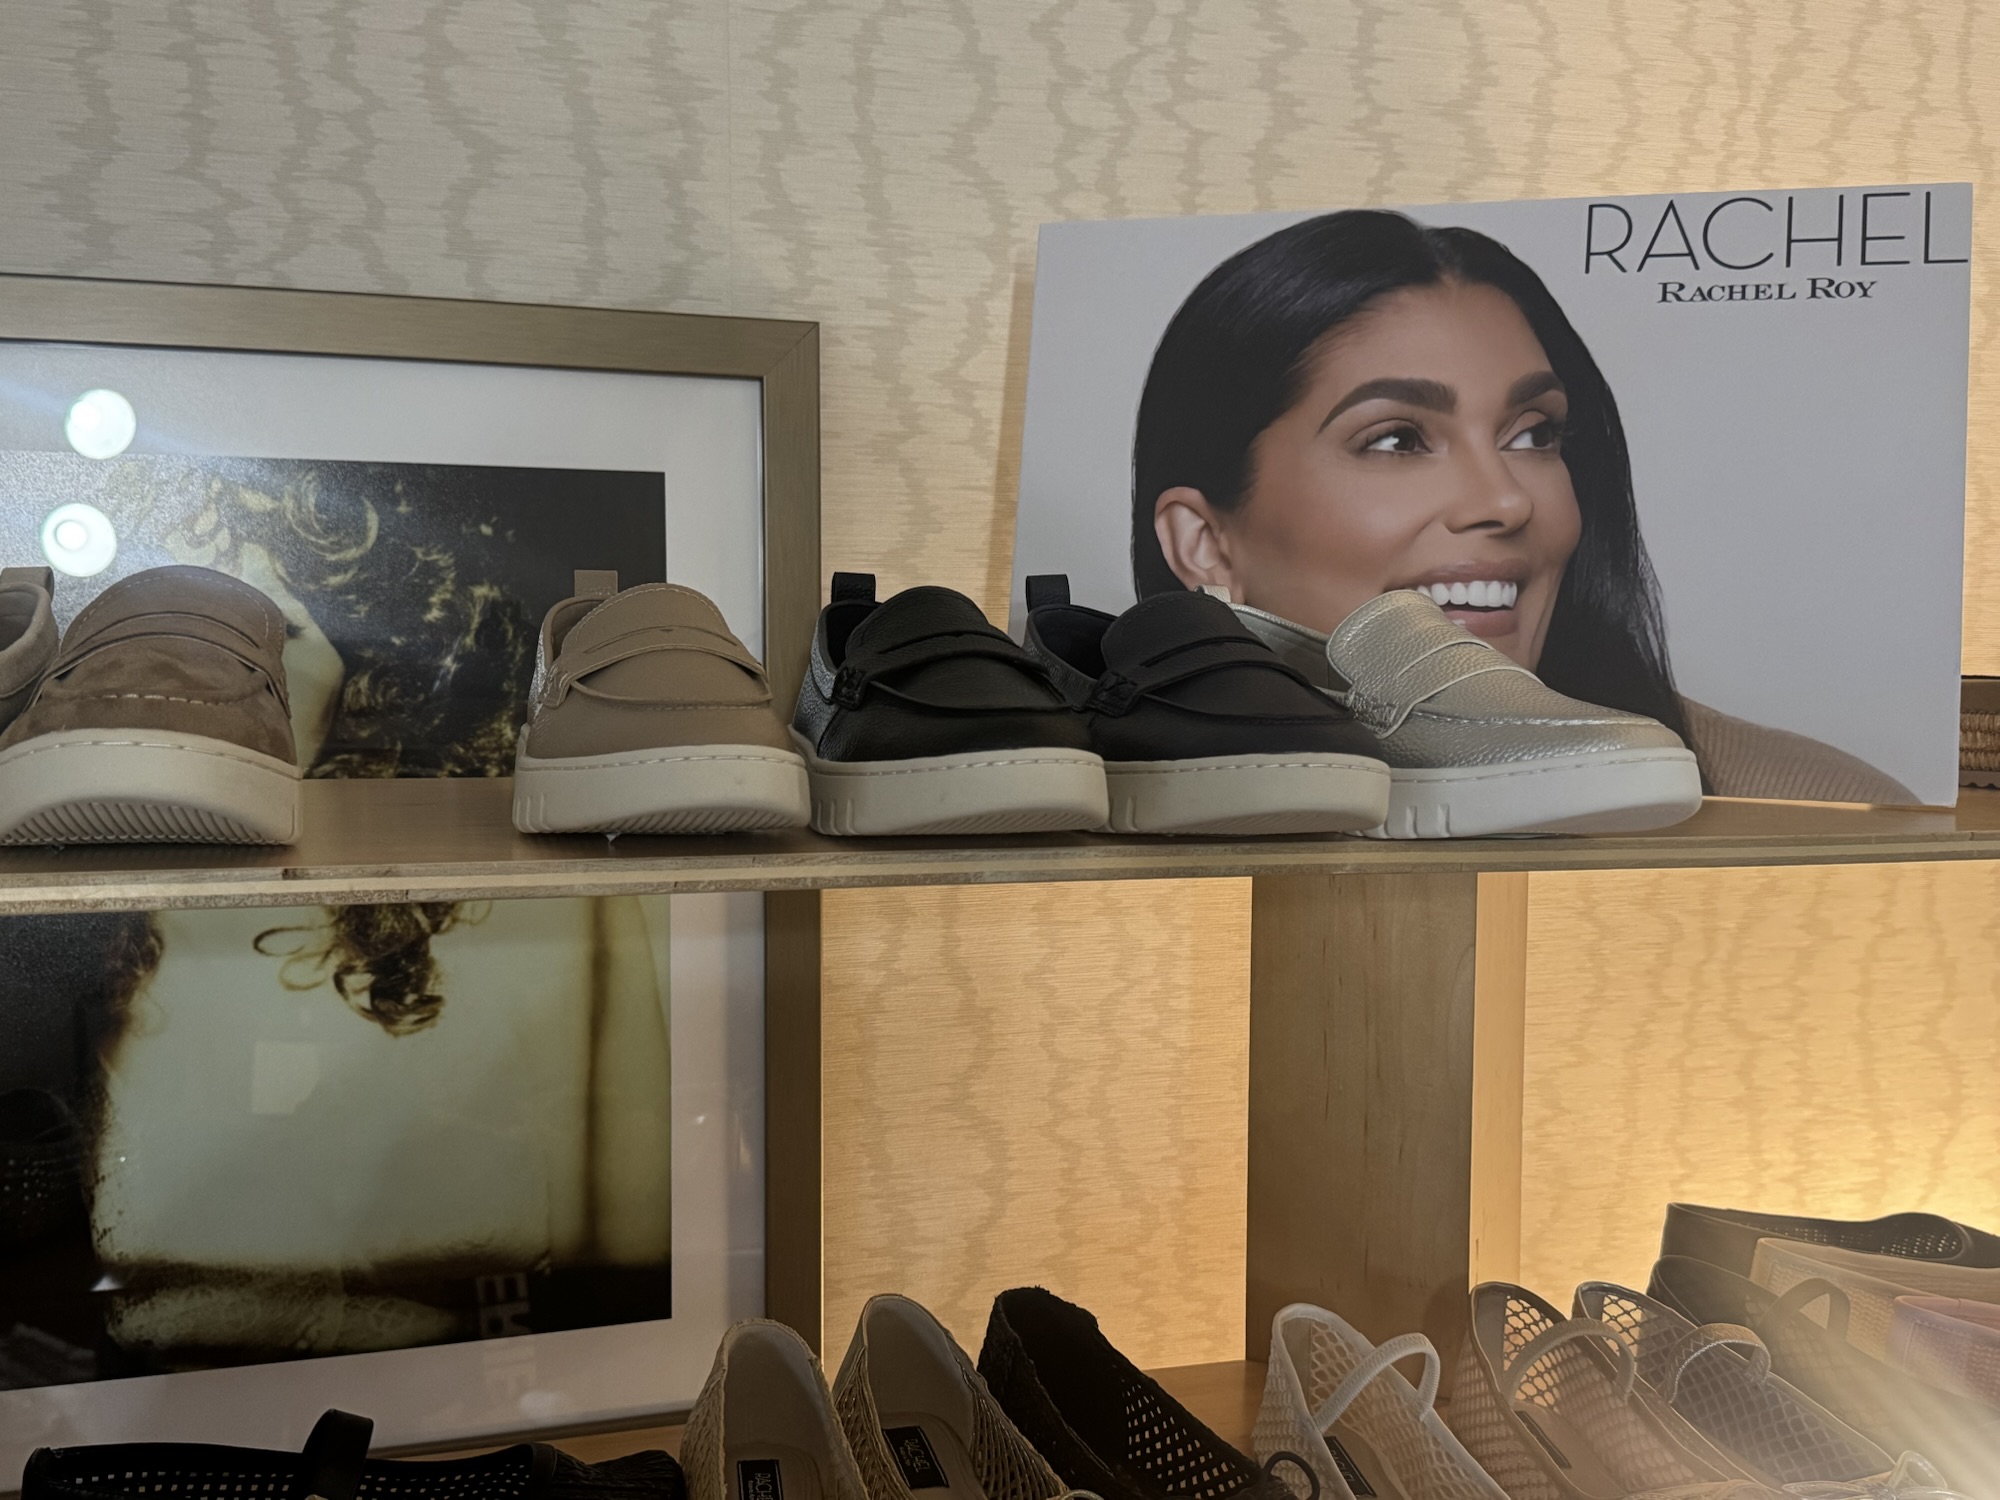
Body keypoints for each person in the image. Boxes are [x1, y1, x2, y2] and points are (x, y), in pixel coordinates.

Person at [1131, 209, 1913, 805]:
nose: (1506, 499)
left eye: (1534, 434)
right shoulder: (1110, 787)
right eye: (1398, 440)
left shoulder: (1815, 800)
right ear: (1204, 543)